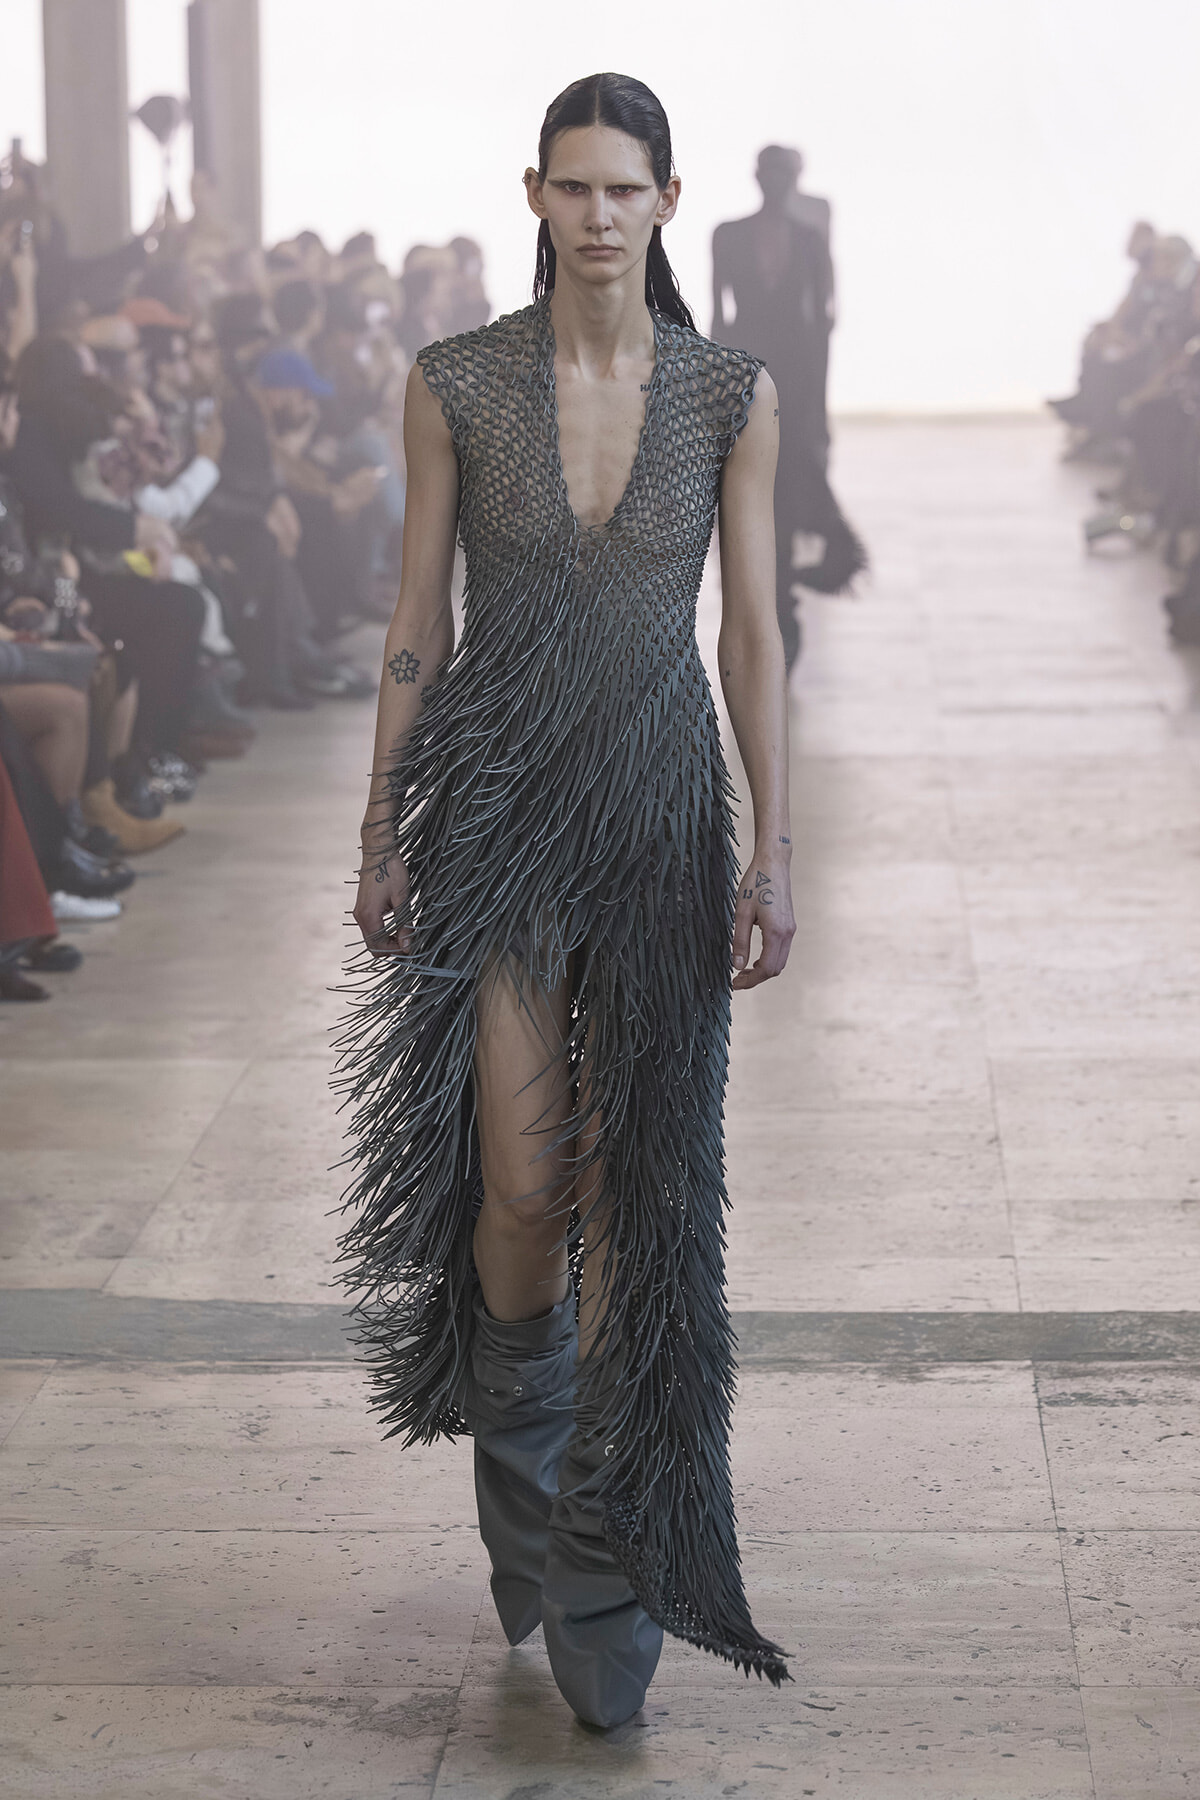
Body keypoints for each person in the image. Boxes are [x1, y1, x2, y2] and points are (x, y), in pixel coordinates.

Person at [341, 72, 795, 1730]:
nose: (600, 215)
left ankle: (607, 1559)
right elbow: (415, 617)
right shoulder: (453, 383)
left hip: (668, 812)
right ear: (534, 196)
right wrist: (383, 826)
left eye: (628, 190)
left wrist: (777, 848)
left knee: (644, 1192)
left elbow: (751, 636)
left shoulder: (726, 392)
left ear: (669, 203)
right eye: (574, 188)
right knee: (527, 1190)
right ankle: (528, 1486)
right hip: (503, 812)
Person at [712, 144, 866, 670]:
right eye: (770, 172)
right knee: (757, 490)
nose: (776, 182)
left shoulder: (807, 238)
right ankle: (781, 603)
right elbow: (719, 314)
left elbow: (824, 320)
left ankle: (788, 602)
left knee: (785, 482)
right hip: (750, 367)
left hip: (796, 377)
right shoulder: (729, 235)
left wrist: (815, 405)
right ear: (757, 176)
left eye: (785, 174)